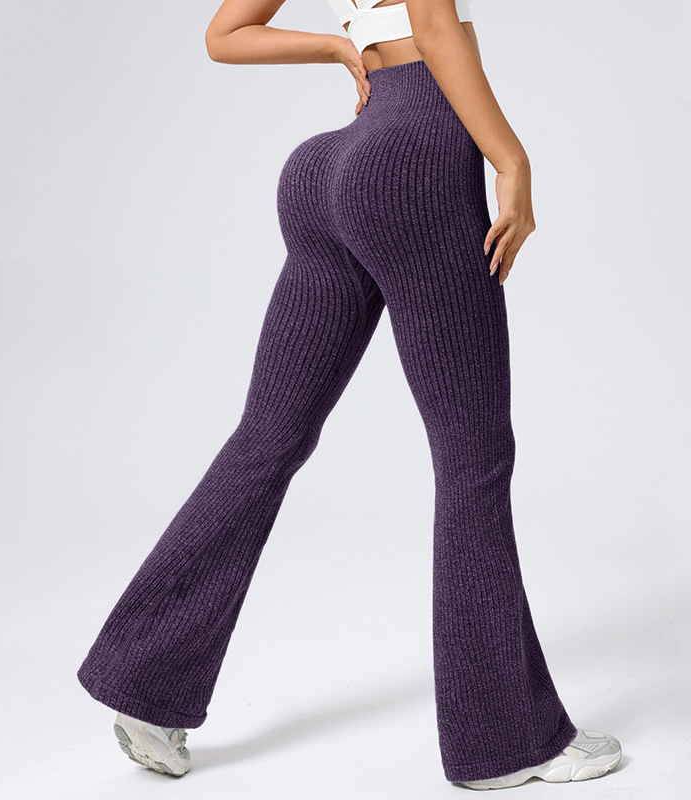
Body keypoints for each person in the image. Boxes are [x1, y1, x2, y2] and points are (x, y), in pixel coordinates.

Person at [76, 0, 623, 790]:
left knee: (267, 437)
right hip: (416, 153)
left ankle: (144, 688)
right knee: (472, 457)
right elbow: (433, 26)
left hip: (328, 167)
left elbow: (225, 36)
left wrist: (340, 47)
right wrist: (510, 160)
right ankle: (504, 745)